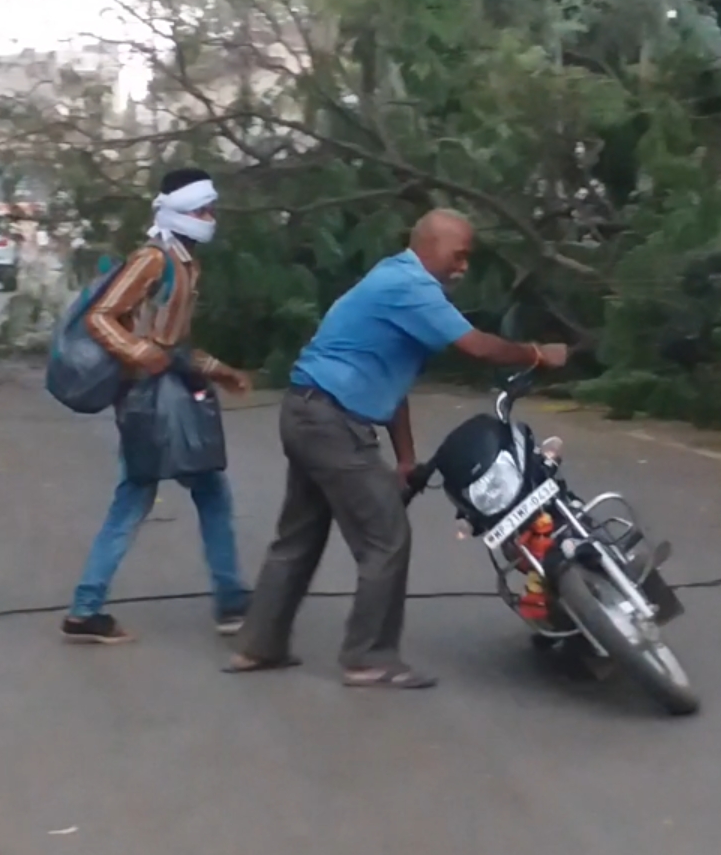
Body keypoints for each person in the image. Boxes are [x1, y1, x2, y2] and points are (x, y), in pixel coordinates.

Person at [227, 209, 569, 689]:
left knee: (299, 535)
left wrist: (405, 460)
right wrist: (537, 353)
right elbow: (477, 347)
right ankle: (368, 658)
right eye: (459, 256)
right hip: (330, 421)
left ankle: (259, 646)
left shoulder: (395, 279)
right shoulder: (412, 287)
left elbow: (393, 385)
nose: (463, 267)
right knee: (386, 536)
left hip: (307, 412)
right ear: (430, 244)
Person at [60, 168, 255, 644]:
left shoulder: (184, 262)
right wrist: (138, 353)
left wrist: (219, 370)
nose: (210, 218)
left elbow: (176, 341)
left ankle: (227, 599)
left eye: (210, 209)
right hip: (149, 395)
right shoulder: (154, 259)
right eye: (201, 210)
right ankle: (227, 601)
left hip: (167, 387)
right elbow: (99, 316)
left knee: (185, 489)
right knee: (148, 492)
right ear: (178, 212)